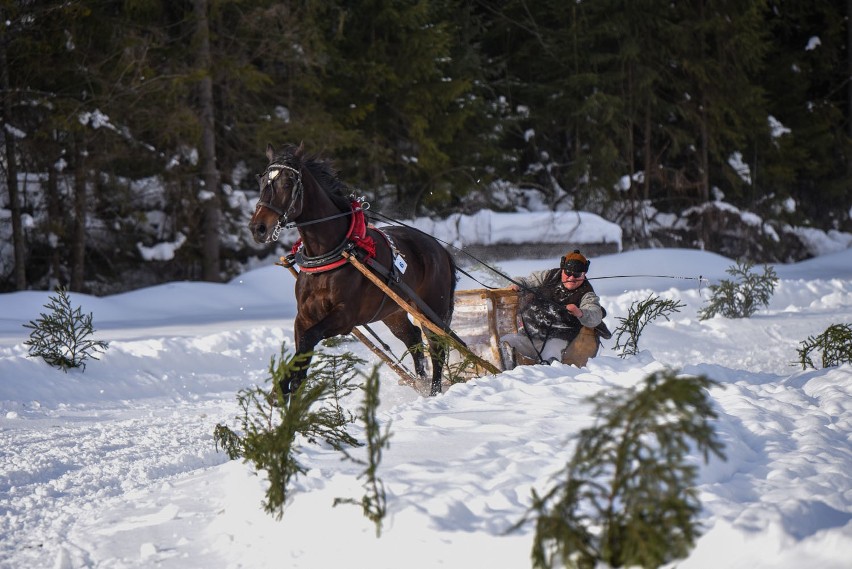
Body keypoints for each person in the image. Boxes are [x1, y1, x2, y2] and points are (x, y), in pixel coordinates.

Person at [500, 249, 611, 368]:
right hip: (528, 336)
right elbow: (526, 281)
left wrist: (580, 313)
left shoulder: (587, 294)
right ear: (562, 269)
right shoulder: (548, 276)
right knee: (504, 344)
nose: (572, 278)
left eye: (577, 274)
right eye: (568, 272)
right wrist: (516, 285)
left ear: (584, 274)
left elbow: (595, 315)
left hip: (558, 341)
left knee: (551, 360)